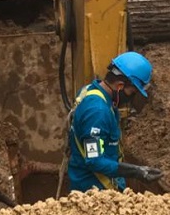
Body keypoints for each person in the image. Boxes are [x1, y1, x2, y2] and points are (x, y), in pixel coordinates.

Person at [67, 51, 163, 193]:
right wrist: (136, 171)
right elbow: (94, 161)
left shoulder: (91, 91)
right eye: (132, 92)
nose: (131, 97)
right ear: (119, 86)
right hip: (94, 190)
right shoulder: (97, 112)